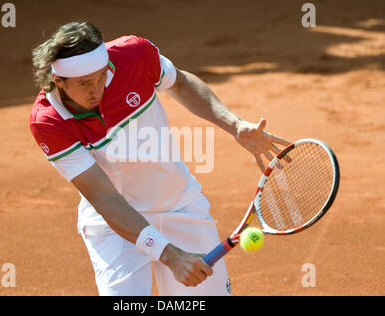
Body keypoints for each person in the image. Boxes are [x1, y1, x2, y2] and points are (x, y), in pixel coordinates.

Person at [30, 21, 290, 296]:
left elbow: (180, 83)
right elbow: (104, 196)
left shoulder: (135, 54)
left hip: (179, 205)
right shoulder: (48, 121)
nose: (97, 90)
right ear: (58, 80)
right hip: (115, 225)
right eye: (85, 83)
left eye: (101, 77)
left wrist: (234, 123)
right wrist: (170, 255)